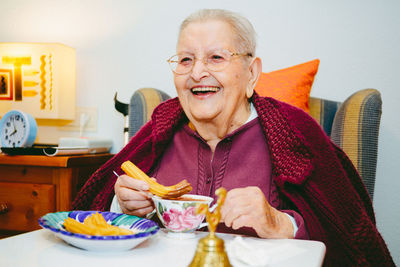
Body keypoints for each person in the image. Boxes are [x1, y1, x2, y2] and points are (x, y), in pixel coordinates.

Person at [73, 9, 394, 266]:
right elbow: (96, 218)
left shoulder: (295, 131)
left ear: (252, 74)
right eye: (185, 59)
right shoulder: (159, 128)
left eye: (216, 57)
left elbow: (349, 235)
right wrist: (122, 204)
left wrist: (282, 224)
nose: (197, 72)